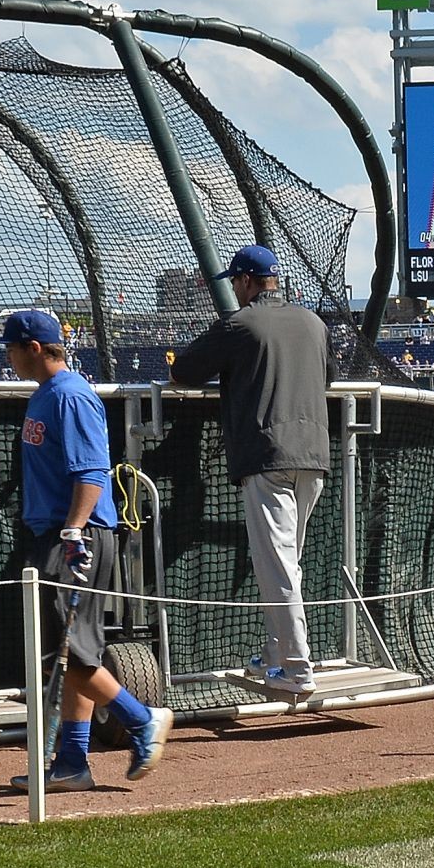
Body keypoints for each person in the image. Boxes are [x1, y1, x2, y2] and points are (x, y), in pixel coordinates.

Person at [2, 307, 164, 787]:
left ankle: (142, 719)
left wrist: (74, 531)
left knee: (66, 654)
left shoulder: (70, 396)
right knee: (71, 654)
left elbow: (91, 472)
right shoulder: (47, 395)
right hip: (60, 533)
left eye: (11, 348)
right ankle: (73, 762)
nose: (8, 357)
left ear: (34, 348)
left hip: (76, 536)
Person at [176, 244, 334, 697]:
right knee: (287, 565)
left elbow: (184, 371)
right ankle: (274, 656)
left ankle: (298, 669)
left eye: (235, 281)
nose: (234, 288)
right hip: (314, 455)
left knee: (278, 568)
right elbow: (327, 377)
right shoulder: (314, 322)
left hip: (268, 457)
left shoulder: (240, 323)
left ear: (246, 280)